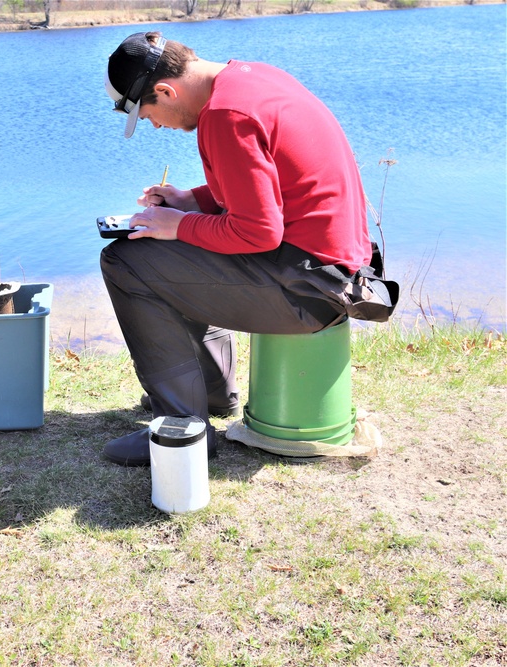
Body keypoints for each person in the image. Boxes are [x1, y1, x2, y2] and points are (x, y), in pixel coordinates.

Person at [100, 32, 397, 466]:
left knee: (126, 261)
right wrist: (191, 202)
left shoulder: (226, 116)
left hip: (308, 292)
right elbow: (263, 190)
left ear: (166, 90)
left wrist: (178, 227)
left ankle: (185, 428)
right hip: (332, 272)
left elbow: (258, 232)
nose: (155, 125)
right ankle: (214, 394)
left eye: (148, 115)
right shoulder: (251, 79)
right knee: (164, 248)